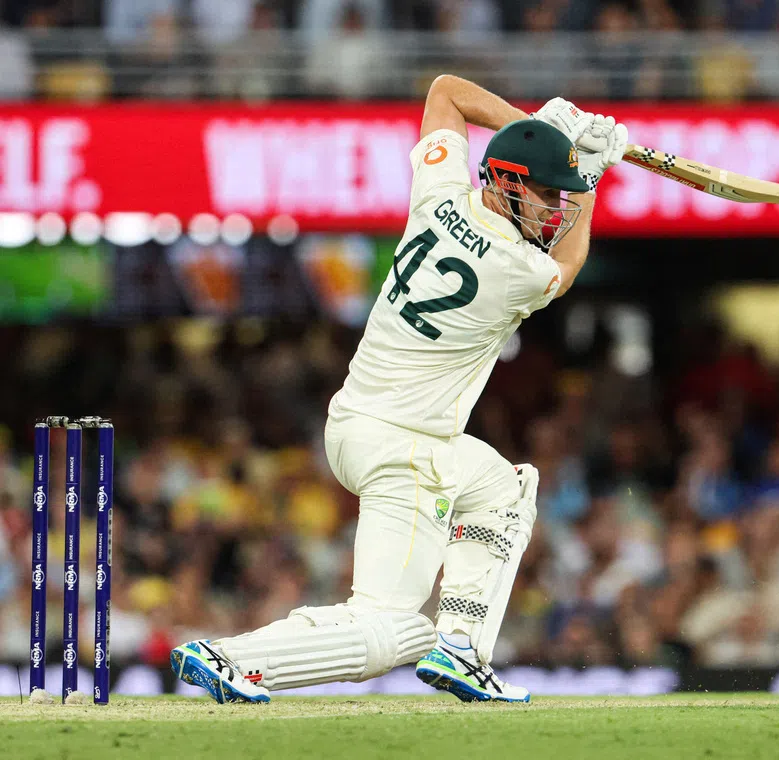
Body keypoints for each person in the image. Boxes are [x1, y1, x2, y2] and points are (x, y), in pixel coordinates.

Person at [170, 76, 628, 704]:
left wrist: (545, 136)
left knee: (504, 489)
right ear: (509, 183)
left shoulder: (438, 196)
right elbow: (567, 268)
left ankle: (463, 646)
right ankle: (232, 657)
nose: (558, 210)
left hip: (364, 423)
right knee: (391, 628)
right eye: (550, 194)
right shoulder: (515, 270)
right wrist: (592, 172)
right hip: (404, 449)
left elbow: (445, 92)